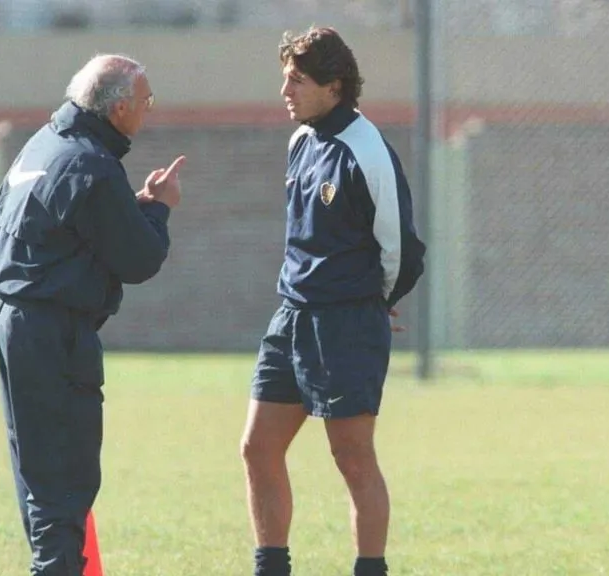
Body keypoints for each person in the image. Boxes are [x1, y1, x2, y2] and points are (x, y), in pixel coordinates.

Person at [0, 54, 185, 576]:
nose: (147, 110)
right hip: (55, 333)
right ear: (119, 108)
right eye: (145, 101)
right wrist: (158, 209)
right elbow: (139, 259)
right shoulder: (93, 165)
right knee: (65, 479)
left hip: (12, 320)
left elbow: (60, 233)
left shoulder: (44, 144)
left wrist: (131, 209)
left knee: (37, 473)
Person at [240, 27, 426, 576]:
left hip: (346, 325)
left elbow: (403, 250)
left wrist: (374, 302)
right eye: (284, 80)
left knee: (351, 456)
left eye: (297, 81)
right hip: (290, 316)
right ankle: (270, 567)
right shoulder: (300, 140)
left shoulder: (368, 151)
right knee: (257, 448)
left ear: (334, 86)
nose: (285, 92)